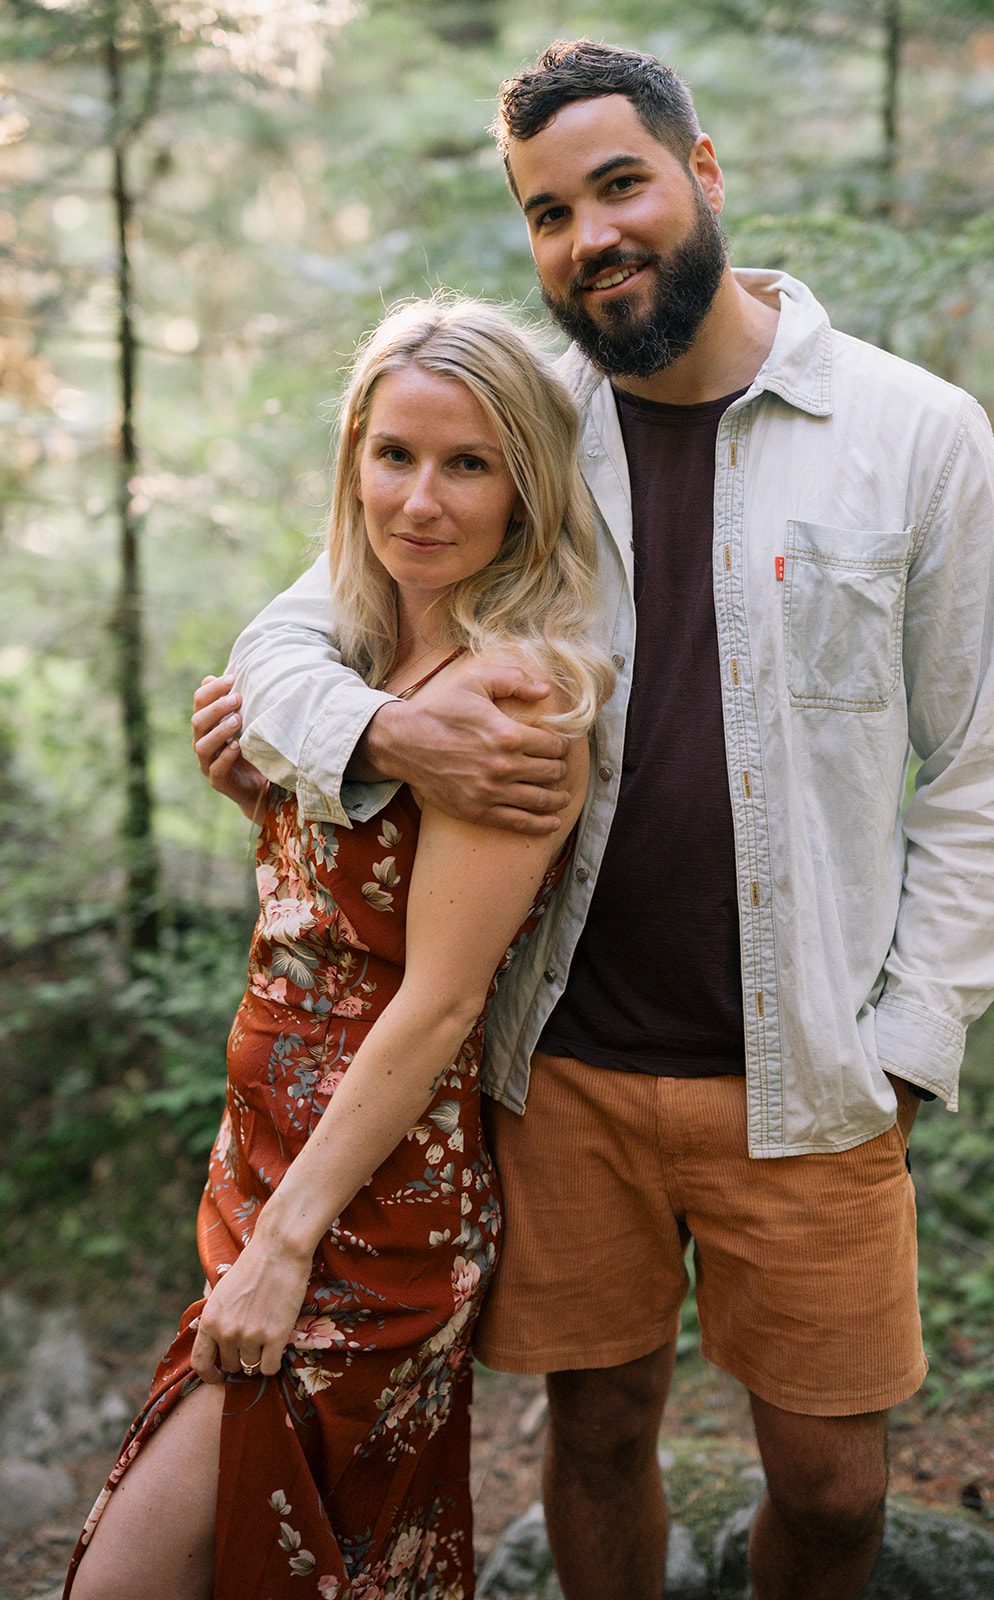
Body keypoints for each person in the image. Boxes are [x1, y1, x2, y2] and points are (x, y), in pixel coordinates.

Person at [193, 40, 994, 1600]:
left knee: (837, 1491)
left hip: (813, 1074)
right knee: (594, 1436)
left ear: (701, 174)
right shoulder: (533, 424)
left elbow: (985, 778)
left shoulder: (916, 437)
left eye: (619, 185)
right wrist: (375, 730)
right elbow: (285, 641)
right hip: (562, 1062)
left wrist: (911, 1043)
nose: (589, 236)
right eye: (546, 212)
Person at [65, 295, 610, 1600]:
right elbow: (353, 911)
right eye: (395, 455)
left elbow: (434, 1004)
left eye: (467, 463)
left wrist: (286, 1248)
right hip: (260, 1166)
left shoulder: (512, 694)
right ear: (353, 458)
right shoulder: (356, 660)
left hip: (365, 1217)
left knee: (142, 1573)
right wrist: (271, 802)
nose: (420, 499)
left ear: (526, 487)